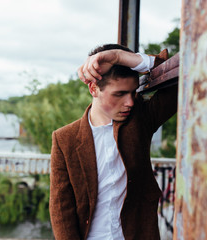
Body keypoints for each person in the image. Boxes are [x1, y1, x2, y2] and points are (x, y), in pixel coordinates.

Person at [49, 44, 178, 240]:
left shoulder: (140, 119)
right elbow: (61, 209)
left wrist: (119, 57)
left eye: (133, 92)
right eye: (119, 94)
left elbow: (180, 77)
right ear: (94, 89)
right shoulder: (65, 139)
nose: (130, 102)